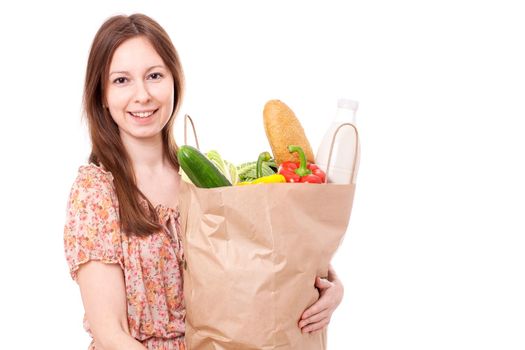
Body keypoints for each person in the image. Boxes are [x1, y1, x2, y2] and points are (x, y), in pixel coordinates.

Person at [64, 13, 344, 350]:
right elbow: (110, 333)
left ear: (174, 81)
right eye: (122, 80)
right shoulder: (95, 192)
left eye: (154, 76)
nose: (142, 95)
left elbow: (265, 266)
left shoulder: (204, 179)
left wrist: (329, 289)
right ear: (102, 95)